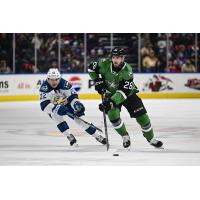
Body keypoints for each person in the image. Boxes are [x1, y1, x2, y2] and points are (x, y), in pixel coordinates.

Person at [88, 47, 163, 149]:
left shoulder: (127, 71)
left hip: (128, 94)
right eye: (114, 57)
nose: (115, 60)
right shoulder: (104, 63)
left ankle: (151, 139)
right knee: (113, 116)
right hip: (110, 94)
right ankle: (125, 136)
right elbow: (91, 68)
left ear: (123, 58)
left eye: (118, 57)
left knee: (142, 117)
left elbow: (124, 92)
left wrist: (110, 102)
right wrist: (97, 80)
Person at [39, 68, 106, 147]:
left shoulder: (64, 84)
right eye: (51, 80)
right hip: (53, 106)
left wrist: (76, 104)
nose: (54, 82)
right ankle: (69, 135)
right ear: (47, 79)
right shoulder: (44, 88)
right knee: (57, 118)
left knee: (81, 120)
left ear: (59, 78)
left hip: (67, 103)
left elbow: (72, 97)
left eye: (56, 79)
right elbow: (44, 105)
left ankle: (97, 136)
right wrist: (55, 108)